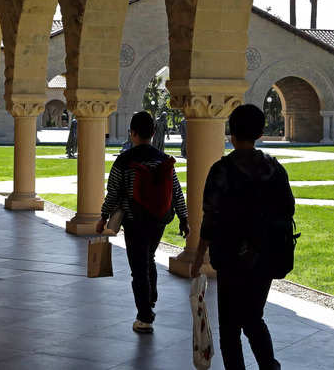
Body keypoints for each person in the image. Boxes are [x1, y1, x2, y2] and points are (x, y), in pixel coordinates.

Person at [191, 104, 295, 370]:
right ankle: (269, 366)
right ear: (260, 133)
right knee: (253, 317)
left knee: (229, 326)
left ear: (231, 133)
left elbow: (210, 217)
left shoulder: (222, 170)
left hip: (231, 257)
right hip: (266, 255)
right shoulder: (275, 170)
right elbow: (288, 209)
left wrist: (199, 255)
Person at [96, 111, 190, 334]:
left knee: (138, 268)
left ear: (133, 133)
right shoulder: (163, 160)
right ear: (154, 133)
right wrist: (184, 219)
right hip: (158, 220)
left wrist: (103, 217)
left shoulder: (125, 161)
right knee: (148, 257)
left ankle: (145, 316)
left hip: (134, 220)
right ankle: (151, 297)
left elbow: (113, 193)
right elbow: (176, 192)